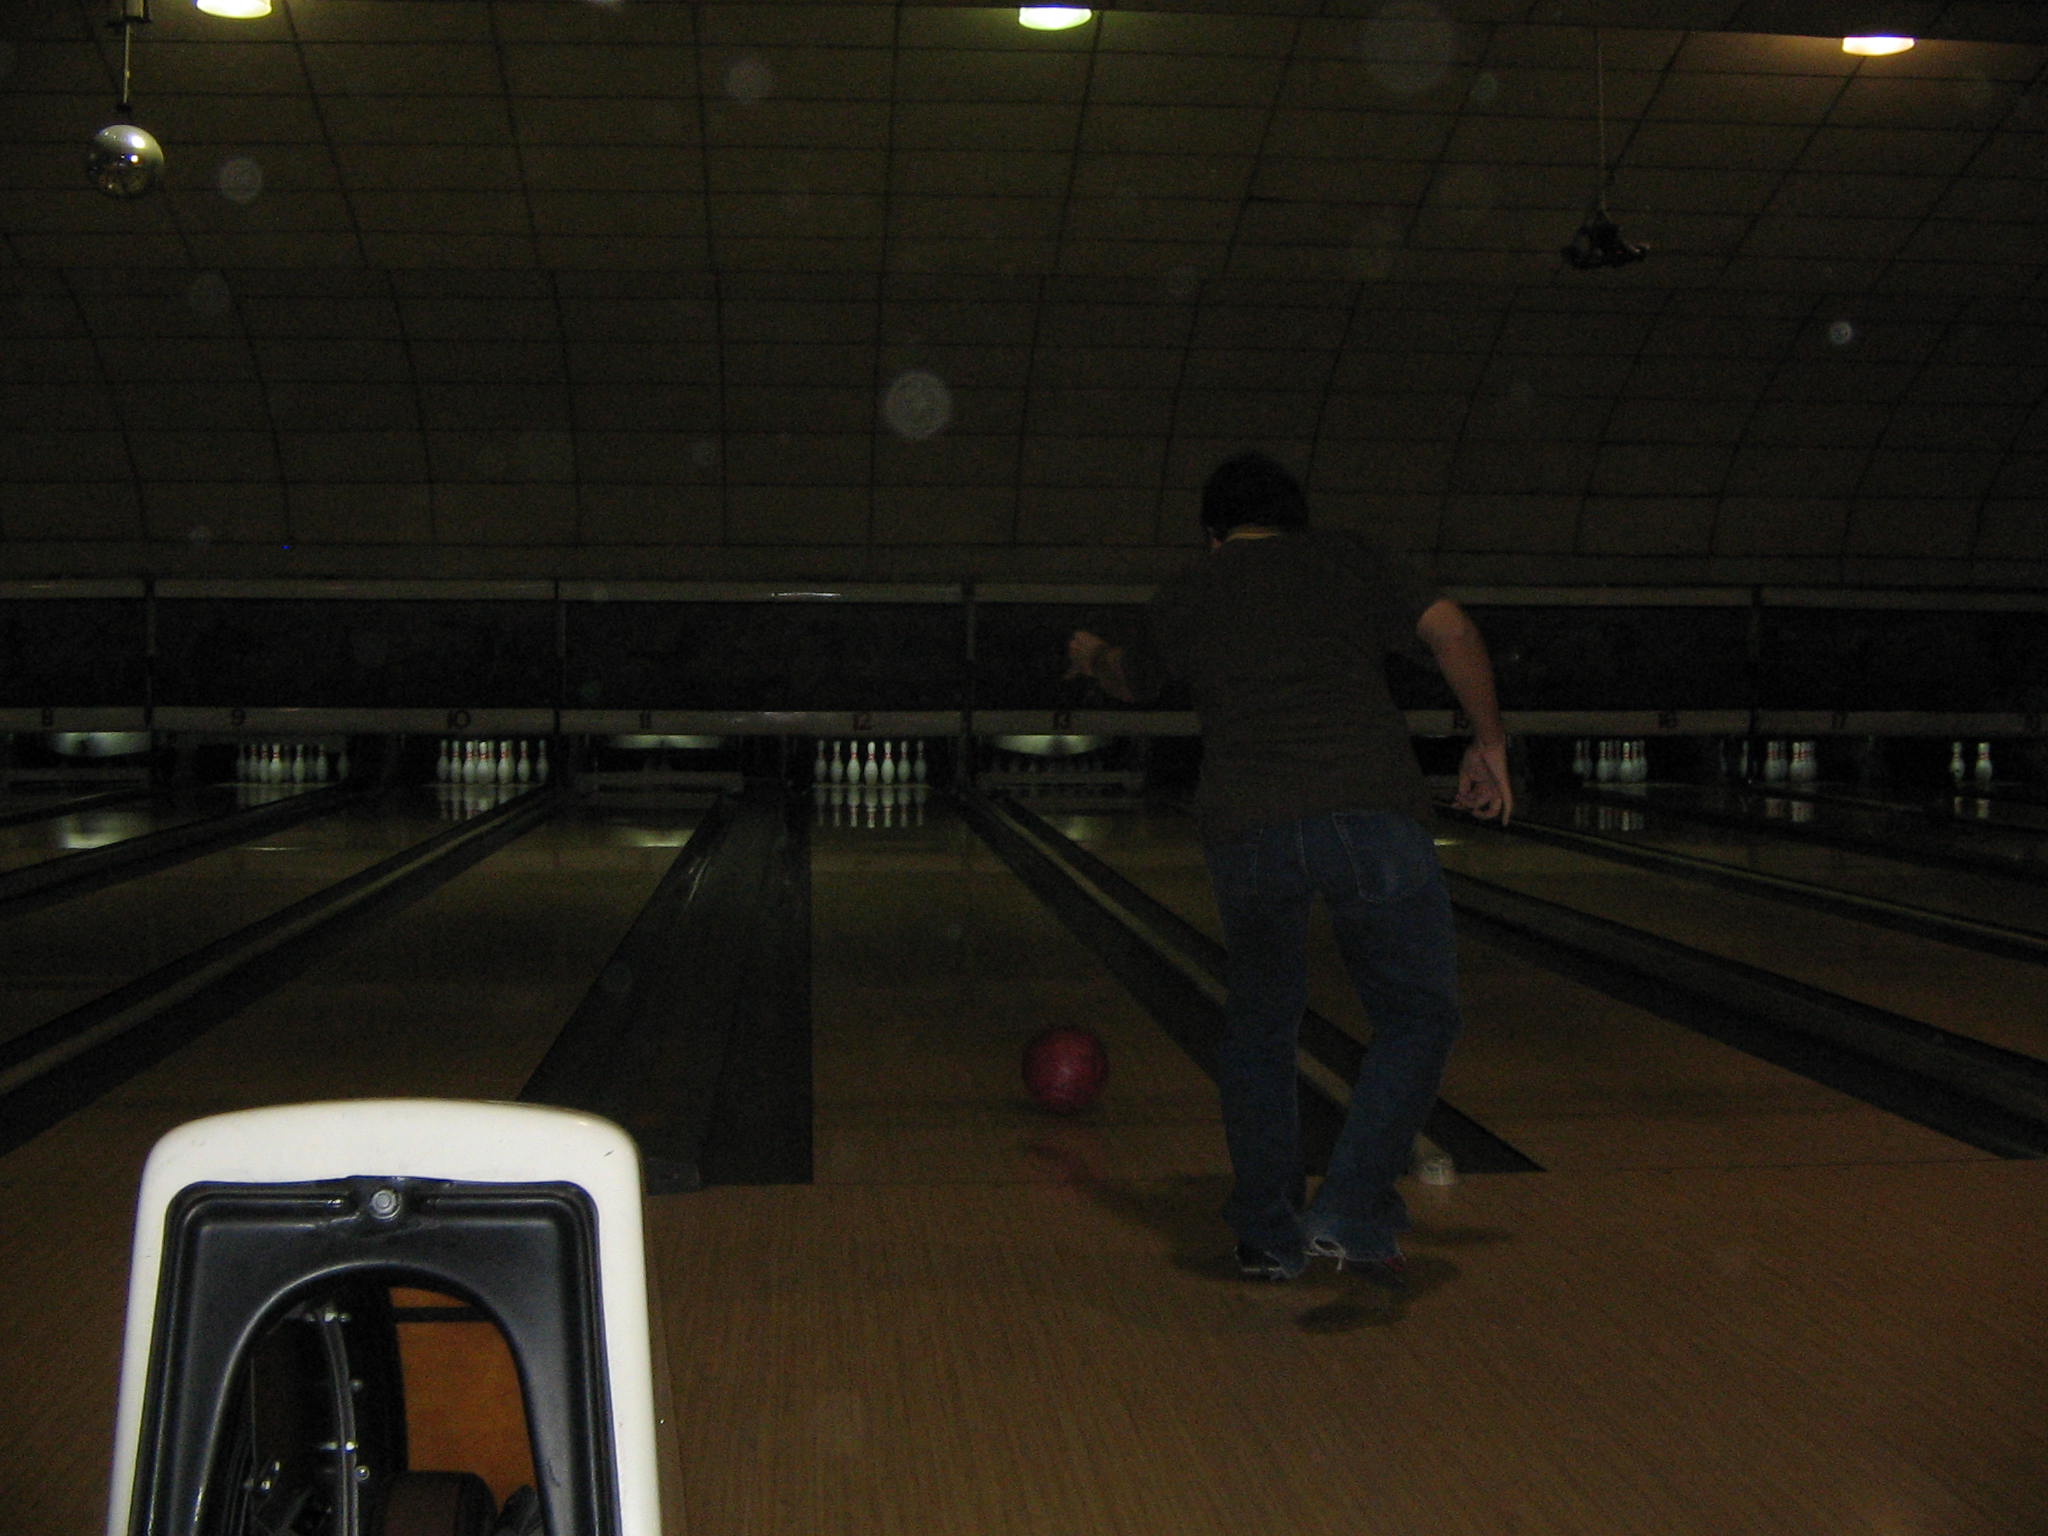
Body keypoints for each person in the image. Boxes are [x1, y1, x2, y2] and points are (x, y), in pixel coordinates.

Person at [1065, 451, 1510, 1284]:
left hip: (1249, 831)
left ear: (1212, 535)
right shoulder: (1352, 557)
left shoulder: (1195, 587)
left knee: (1262, 1028)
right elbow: (1452, 632)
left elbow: (1131, 678)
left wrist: (1091, 656)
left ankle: (1269, 1235)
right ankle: (1350, 1205)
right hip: (1370, 813)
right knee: (1417, 1017)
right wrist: (1487, 744)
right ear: (1298, 519)